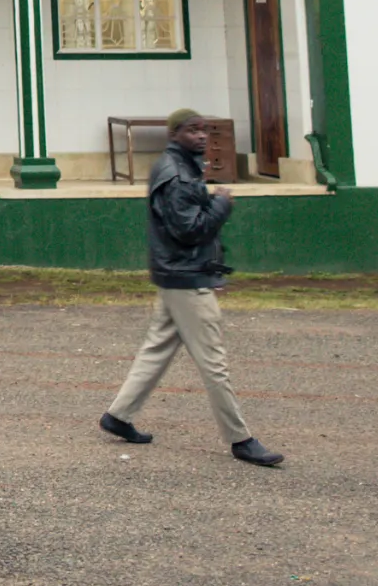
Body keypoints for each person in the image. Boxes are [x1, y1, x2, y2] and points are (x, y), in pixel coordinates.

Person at [100, 109, 283, 467]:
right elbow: (190, 230)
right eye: (192, 130)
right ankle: (240, 440)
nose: (201, 136)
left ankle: (118, 416)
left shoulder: (175, 166)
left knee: (157, 349)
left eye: (204, 130)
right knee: (214, 363)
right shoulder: (180, 175)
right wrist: (221, 204)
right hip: (187, 279)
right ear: (174, 134)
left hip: (175, 275)